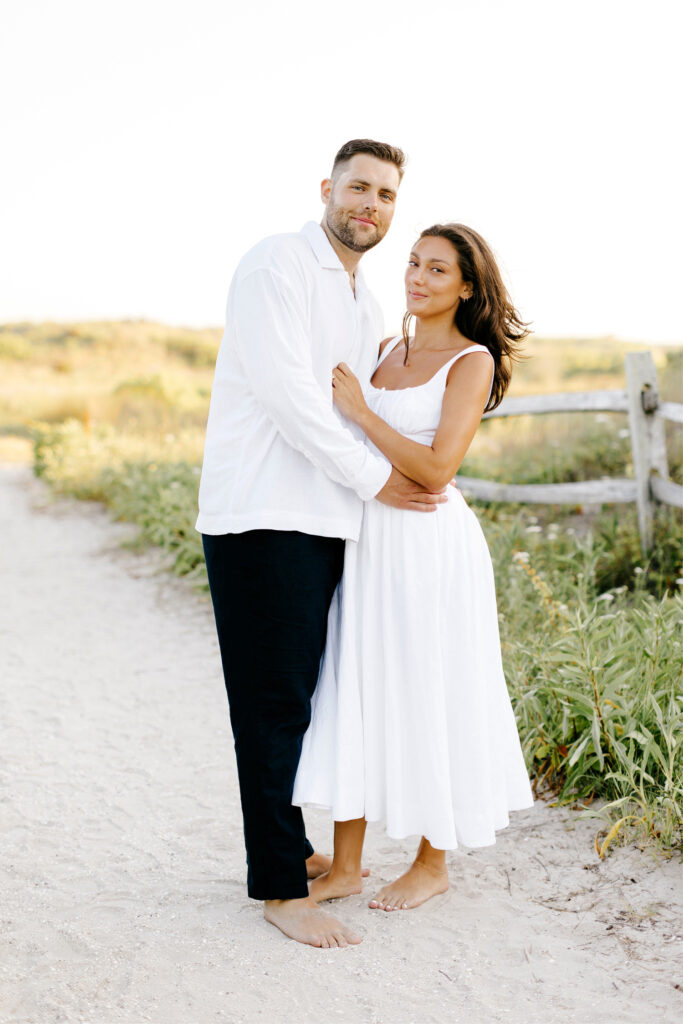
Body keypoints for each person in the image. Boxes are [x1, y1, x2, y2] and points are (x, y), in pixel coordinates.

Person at [196, 140, 446, 949]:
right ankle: (278, 889)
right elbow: (289, 399)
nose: (370, 204)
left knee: (303, 700)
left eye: (385, 195)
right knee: (270, 704)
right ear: (327, 189)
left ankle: (291, 849)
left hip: (327, 518)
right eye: (358, 187)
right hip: (262, 513)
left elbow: (353, 412)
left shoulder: (363, 303)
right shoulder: (278, 266)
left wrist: (378, 488)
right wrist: (374, 482)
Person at [293, 223, 535, 912]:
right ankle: (345, 866)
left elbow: (436, 468)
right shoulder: (380, 349)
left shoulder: (471, 362)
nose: (417, 277)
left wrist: (365, 414)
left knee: (430, 683)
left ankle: (432, 862)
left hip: (429, 545)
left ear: (465, 286)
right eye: (413, 263)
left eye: (437, 269)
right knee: (355, 684)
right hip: (367, 539)